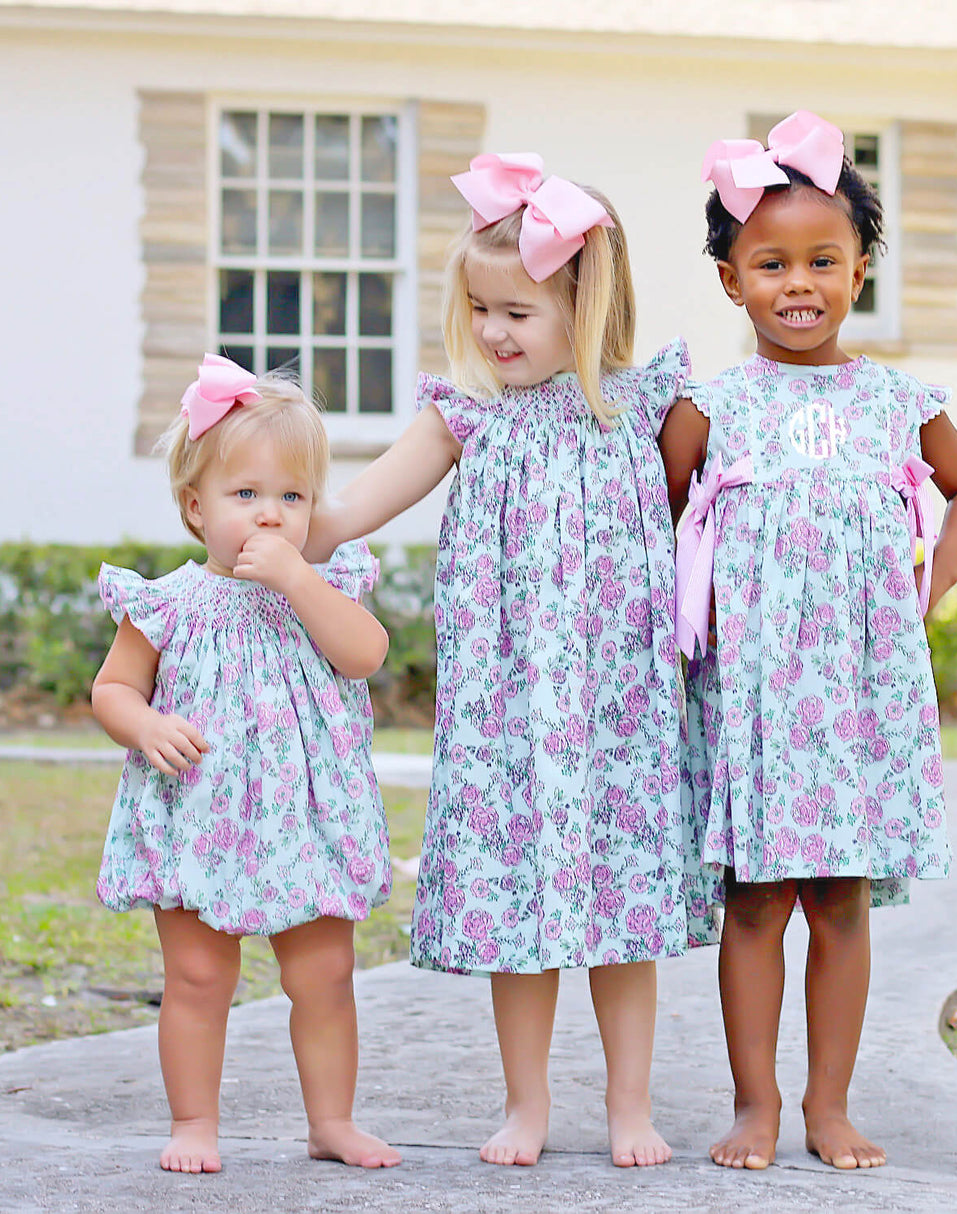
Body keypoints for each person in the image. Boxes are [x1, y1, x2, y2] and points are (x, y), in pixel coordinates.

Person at [306, 152, 717, 1169]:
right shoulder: (466, 413)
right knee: (519, 918)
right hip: (505, 710)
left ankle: (630, 1105)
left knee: (622, 918)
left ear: (586, 304)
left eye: (517, 312)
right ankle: (523, 1103)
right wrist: (262, 510)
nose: (492, 330)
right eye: (480, 308)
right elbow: (355, 507)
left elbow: (712, 510)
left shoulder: (644, 404)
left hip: (620, 705)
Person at [659, 111, 957, 1173]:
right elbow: (652, 525)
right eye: (769, 263)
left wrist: (929, 578)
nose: (796, 283)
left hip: (856, 692)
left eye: (821, 260)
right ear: (729, 280)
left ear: (859, 270)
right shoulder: (707, 407)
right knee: (755, 899)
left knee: (840, 900)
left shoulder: (896, 399)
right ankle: (753, 1103)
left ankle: (827, 1103)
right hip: (754, 695)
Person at [91, 356, 401, 1174]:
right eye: (246, 495)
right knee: (197, 976)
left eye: (291, 497)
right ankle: (194, 1121)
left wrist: (301, 580)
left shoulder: (325, 586)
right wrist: (144, 723)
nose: (271, 515)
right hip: (199, 810)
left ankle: (330, 1122)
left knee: (326, 974)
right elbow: (113, 688)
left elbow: (365, 654)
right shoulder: (171, 601)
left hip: (305, 815)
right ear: (196, 508)